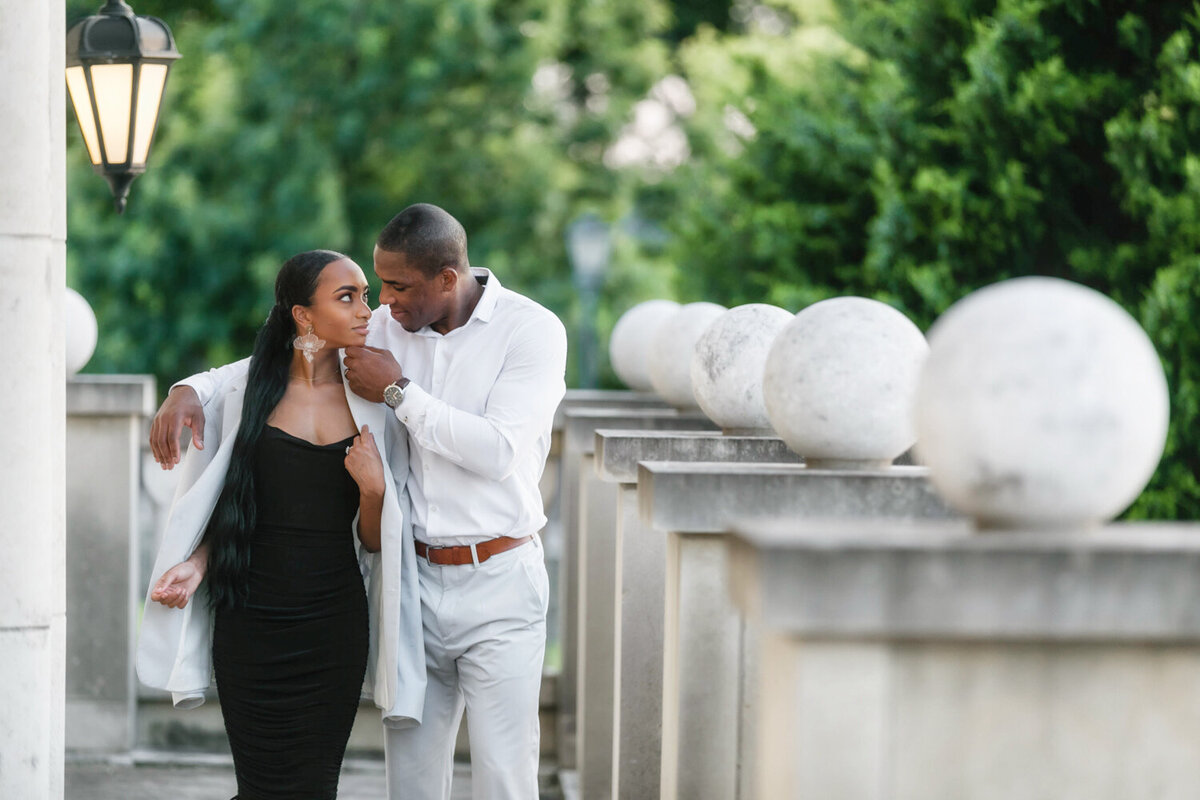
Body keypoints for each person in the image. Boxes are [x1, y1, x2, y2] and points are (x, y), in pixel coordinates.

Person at [149, 204, 568, 800]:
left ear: (446, 280)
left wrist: (398, 392)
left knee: (504, 774)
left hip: (499, 578)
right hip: (411, 581)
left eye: (396, 287)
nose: (383, 305)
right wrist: (190, 387)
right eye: (375, 288)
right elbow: (281, 355)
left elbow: (498, 450)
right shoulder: (391, 322)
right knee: (413, 779)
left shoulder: (531, 330)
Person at [136, 250, 426, 800]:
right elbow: (239, 504)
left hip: (332, 625)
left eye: (365, 294)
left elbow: (371, 540)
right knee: (260, 787)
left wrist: (374, 491)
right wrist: (198, 565)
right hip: (250, 621)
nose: (367, 309)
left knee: (316, 787)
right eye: (348, 297)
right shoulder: (249, 393)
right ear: (302, 316)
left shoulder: (373, 403)